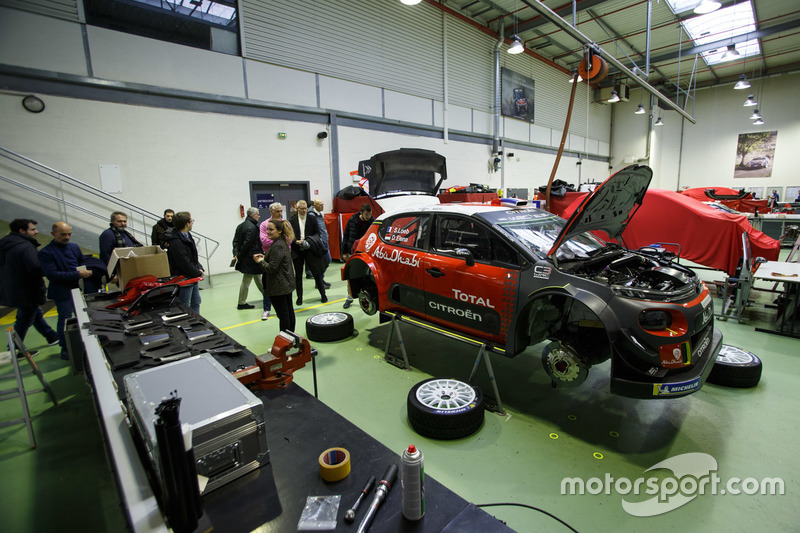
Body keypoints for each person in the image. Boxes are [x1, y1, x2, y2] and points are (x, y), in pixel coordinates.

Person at [0, 218, 59, 355]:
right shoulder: (25, 246)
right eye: (32, 229)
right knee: (25, 318)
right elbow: (35, 267)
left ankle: (51, 336)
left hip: (11, 287)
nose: (36, 232)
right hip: (26, 289)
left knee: (34, 313)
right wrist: (51, 269)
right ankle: (14, 349)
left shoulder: (5, 243)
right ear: (22, 231)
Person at [39, 222, 95, 360]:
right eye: (63, 234)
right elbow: (52, 275)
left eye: (69, 234)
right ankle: (66, 349)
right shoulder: (46, 253)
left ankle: (87, 346)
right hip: (62, 291)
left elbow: (82, 262)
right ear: (53, 234)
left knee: (84, 318)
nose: (67, 237)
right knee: (65, 320)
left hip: (78, 288)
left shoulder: (74, 247)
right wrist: (78, 275)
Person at [253, 219, 296, 334]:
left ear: (280, 231)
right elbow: (277, 261)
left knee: (283, 315)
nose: (267, 232)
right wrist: (264, 257)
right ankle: (290, 336)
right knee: (288, 312)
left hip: (279, 286)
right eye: (267, 229)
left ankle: (286, 339)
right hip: (285, 284)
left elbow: (272, 268)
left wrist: (261, 261)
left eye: (271, 229)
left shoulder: (278, 245)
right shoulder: (281, 242)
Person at [290, 200, 328, 305]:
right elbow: (289, 236)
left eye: (305, 208)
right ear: (297, 209)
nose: (303, 210)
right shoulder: (292, 221)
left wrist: (308, 241)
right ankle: (299, 297)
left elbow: (317, 233)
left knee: (317, 273)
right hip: (297, 250)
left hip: (310, 249)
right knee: (298, 275)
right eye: (301, 208)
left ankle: (323, 294)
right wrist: (296, 241)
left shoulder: (312, 218)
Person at [165, 212, 204, 313]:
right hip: (184, 279)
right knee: (185, 305)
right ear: (187, 224)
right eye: (191, 221)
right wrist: (198, 272)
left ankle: (197, 324)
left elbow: (193, 256)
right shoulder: (176, 241)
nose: (192, 223)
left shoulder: (187, 236)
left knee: (196, 302)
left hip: (192, 276)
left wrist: (199, 267)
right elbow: (184, 263)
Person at [257, 202, 288, 320]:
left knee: (284, 281)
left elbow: (289, 239)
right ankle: (266, 309)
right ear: (271, 212)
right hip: (269, 255)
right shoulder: (264, 225)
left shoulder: (285, 223)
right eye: (277, 211)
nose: (280, 213)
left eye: (281, 211)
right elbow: (264, 240)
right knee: (268, 283)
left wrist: (278, 242)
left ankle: (284, 308)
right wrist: (279, 241)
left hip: (284, 256)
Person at [342, 204, 374, 309]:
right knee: (351, 277)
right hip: (353, 252)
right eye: (366, 214)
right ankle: (349, 298)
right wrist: (344, 252)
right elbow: (346, 236)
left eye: (370, 214)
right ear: (361, 213)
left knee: (367, 277)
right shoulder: (352, 221)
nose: (368, 216)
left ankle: (366, 299)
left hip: (366, 253)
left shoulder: (372, 222)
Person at [232, 207, 264, 310]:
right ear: (253, 215)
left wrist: (236, 254)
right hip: (251, 258)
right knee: (248, 279)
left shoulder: (240, 226)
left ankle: (267, 295)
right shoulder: (252, 227)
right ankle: (241, 302)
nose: (259, 216)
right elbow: (248, 243)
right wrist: (240, 256)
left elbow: (235, 241)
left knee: (257, 278)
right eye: (258, 215)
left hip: (245, 258)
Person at [308, 199, 332, 289]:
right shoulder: (311, 215)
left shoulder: (319, 214)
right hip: (319, 243)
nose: (322, 206)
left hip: (324, 241)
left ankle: (321, 280)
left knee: (326, 261)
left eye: (323, 204)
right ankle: (319, 282)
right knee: (324, 262)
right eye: (320, 205)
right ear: (315, 205)